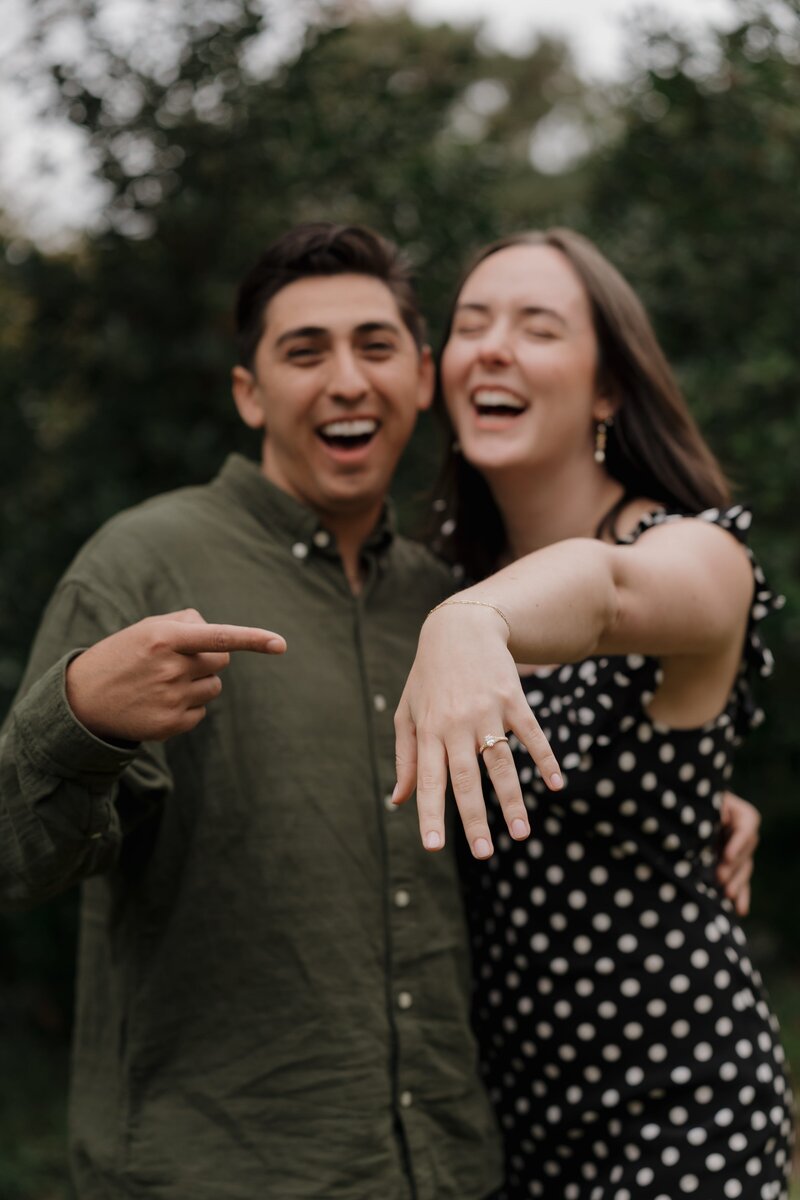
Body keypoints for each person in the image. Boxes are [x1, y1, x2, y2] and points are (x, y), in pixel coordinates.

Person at [0, 222, 759, 1200]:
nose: (345, 380)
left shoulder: (448, 595)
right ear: (248, 391)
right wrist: (79, 718)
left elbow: (625, 638)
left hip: (474, 1164)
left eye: (374, 347)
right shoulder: (146, 569)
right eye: (303, 352)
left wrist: (694, 797)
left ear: (418, 379)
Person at [393, 229, 793, 1199]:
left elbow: (608, 593)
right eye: (471, 324)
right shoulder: (433, 577)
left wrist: (469, 622)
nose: (491, 347)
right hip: (496, 1123)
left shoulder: (695, 552)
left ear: (606, 387)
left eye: (536, 327)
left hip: (677, 1111)